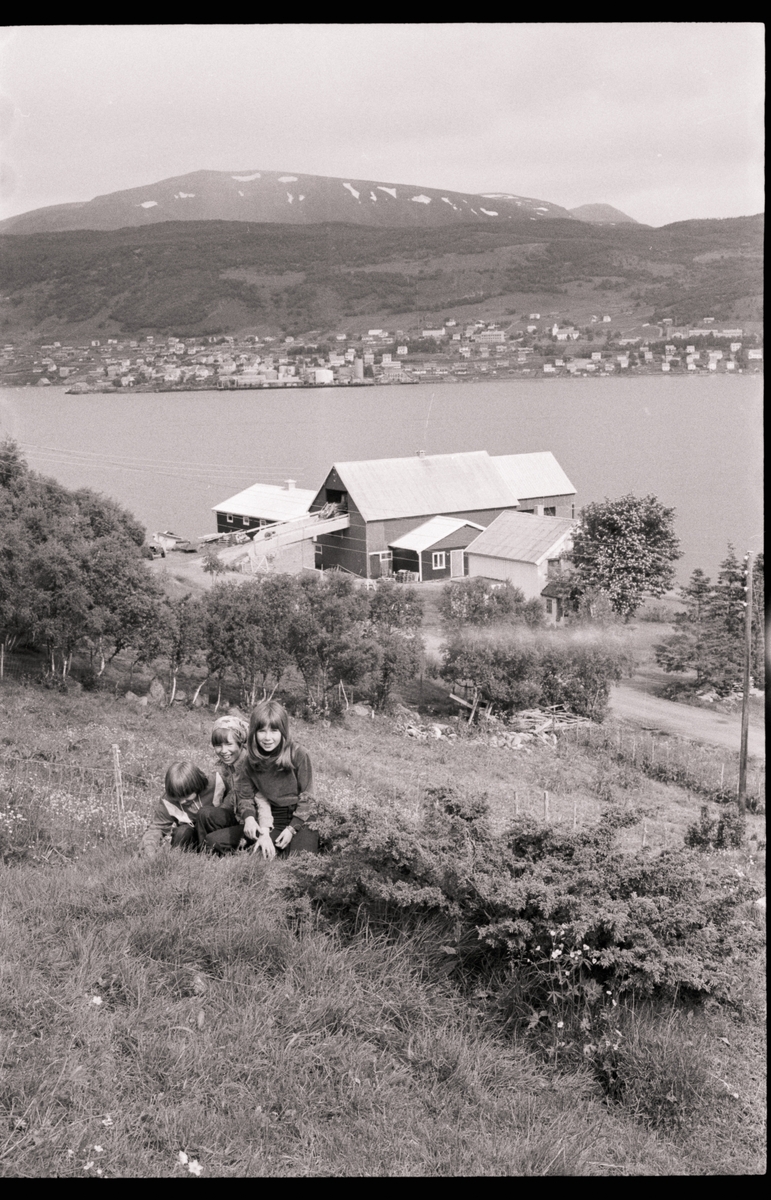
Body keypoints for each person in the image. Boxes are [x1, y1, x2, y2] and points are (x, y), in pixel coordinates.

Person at [204, 700, 320, 857]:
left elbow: (308, 797)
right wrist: (250, 819)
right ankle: (272, 850)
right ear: (253, 732)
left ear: (283, 731)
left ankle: (290, 848)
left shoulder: (299, 754)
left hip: (301, 817)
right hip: (271, 818)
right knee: (214, 842)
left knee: (300, 864)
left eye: (274, 730)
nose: (267, 738)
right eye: (261, 731)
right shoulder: (249, 761)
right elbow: (245, 797)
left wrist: (292, 829)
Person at [194, 714, 273, 850]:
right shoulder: (229, 765)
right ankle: (201, 850)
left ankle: (211, 850)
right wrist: (220, 811)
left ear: (240, 742)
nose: (224, 751)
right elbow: (234, 793)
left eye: (229, 744)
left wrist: (263, 830)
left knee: (213, 841)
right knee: (204, 813)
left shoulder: (250, 764)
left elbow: (262, 800)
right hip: (238, 816)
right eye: (218, 745)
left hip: (255, 822)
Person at [140, 761, 212, 858]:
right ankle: (179, 859)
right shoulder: (167, 801)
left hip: (213, 834)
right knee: (182, 831)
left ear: (197, 786)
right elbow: (157, 828)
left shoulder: (216, 785)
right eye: (177, 798)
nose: (182, 802)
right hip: (190, 838)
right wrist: (149, 849)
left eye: (186, 796)